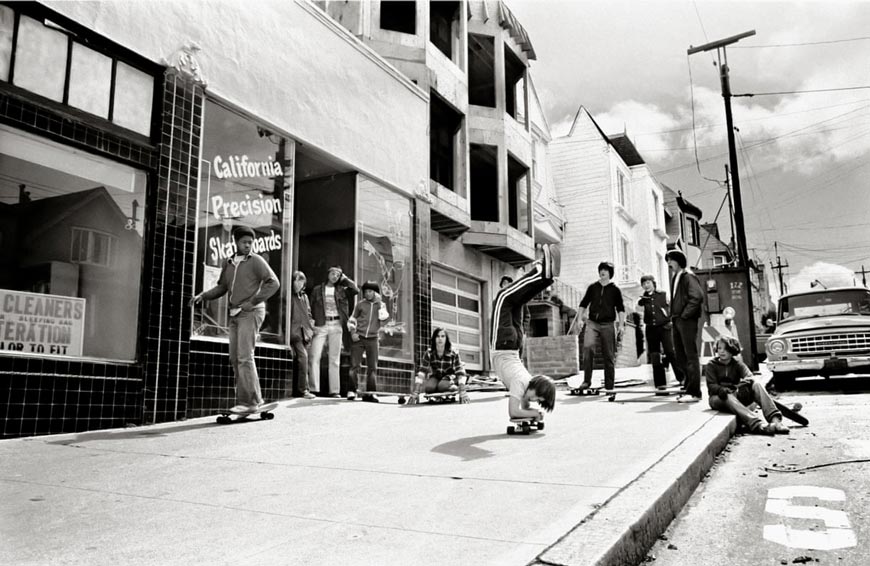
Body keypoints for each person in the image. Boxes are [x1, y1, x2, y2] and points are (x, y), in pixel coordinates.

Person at [189, 225, 280, 413]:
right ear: (236, 242)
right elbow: (222, 287)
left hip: (251, 312)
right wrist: (203, 296)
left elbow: (274, 283)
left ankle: (251, 401)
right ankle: (245, 401)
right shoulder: (229, 262)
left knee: (245, 356)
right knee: (235, 357)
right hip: (234, 315)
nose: (248, 246)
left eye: (251, 243)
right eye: (244, 242)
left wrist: (253, 301)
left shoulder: (256, 261)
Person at [491, 244, 559, 421]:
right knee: (503, 297)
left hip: (513, 344)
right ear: (535, 386)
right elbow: (514, 412)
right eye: (538, 397)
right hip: (503, 344)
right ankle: (541, 272)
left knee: (517, 300)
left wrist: (532, 412)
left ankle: (546, 277)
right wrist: (535, 414)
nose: (534, 401)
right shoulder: (521, 384)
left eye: (538, 401)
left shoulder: (524, 382)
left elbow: (521, 407)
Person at [705, 336, 789, 435]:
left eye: (726, 349)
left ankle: (775, 420)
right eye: (719, 348)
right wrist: (721, 389)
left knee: (757, 384)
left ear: (732, 350)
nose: (722, 351)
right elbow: (711, 385)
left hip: (735, 394)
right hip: (718, 398)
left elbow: (750, 377)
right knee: (728, 396)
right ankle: (758, 425)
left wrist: (742, 385)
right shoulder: (711, 365)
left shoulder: (737, 364)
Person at [310, 265, 359, 398]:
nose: (335, 277)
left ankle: (334, 391)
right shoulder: (317, 290)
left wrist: (345, 278)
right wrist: (312, 322)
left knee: (334, 359)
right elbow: (311, 306)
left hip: (337, 324)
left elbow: (355, 289)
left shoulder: (342, 290)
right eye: (333, 273)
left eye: (338, 275)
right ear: (328, 274)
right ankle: (313, 389)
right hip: (321, 324)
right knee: (315, 356)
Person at [576, 261, 626, 391]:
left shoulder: (615, 290)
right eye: (601, 270)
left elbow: (621, 308)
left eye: (605, 270)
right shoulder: (593, 287)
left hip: (608, 324)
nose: (602, 272)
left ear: (610, 273)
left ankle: (609, 386)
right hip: (592, 323)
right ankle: (586, 381)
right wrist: (579, 320)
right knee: (587, 349)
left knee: (608, 354)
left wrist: (621, 325)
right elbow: (583, 304)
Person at [666, 249, 704, 403]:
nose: (668, 263)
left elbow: (697, 296)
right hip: (677, 320)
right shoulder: (677, 277)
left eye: (671, 260)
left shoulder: (688, 276)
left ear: (678, 260)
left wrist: (684, 315)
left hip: (686, 320)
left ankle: (695, 392)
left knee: (690, 355)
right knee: (680, 356)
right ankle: (688, 386)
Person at [347, 280, 390, 402]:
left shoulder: (381, 305)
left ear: (376, 293)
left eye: (370, 291)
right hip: (359, 337)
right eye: (366, 291)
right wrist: (353, 333)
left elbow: (384, 321)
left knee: (372, 367)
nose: (368, 294)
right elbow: (352, 319)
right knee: (354, 365)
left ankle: (371, 393)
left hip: (373, 338)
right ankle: (352, 391)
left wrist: (381, 308)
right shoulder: (360, 304)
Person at [637, 274, 678, 390]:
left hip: (664, 327)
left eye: (648, 283)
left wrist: (671, 321)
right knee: (655, 355)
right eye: (644, 284)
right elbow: (639, 313)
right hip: (651, 329)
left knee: (670, 352)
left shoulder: (663, 295)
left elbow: (671, 309)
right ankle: (660, 383)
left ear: (653, 283)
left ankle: (682, 378)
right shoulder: (642, 300)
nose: (646, 286)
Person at [407, 327, 469, 405]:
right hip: (437, 376)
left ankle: (454, 387)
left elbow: (460, 371)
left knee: (442, 386)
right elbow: (422, 371)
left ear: (446, 339)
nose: (440, 339)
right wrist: (416, 391)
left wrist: (462, 390)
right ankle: (439, 387)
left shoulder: (453, 352)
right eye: (438, 336)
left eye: (443, 336)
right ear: (434, 338)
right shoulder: (429, 353)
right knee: (429, 388)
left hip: (450, 376)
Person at [290, 271, 316, 399]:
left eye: (301, 281)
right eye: (296, 280)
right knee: (303, 358)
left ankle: (301, 389)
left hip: (305, 333)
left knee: (304, 359)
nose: (299, 283)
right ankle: (303, 390)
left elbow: (309, 314)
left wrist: (311, 327)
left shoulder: (304, 297)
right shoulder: (289, 296)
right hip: (293, 333)